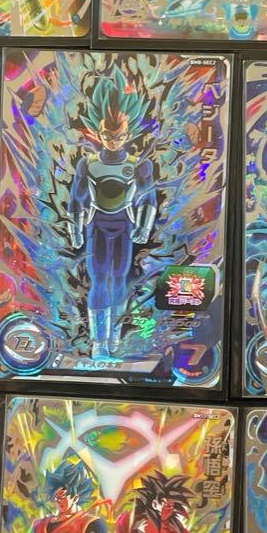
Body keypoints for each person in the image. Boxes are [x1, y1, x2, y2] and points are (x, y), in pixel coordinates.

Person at [67, 66, 157, 359]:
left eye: (119, 136)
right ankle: (99, 342)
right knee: (99, 280)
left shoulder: (138, 165)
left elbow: (148, 199)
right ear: (99, 133)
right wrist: (75, 230)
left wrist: (143, 227)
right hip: (97, 225)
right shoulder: (88, 164)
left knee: (119, 279)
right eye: (108, 134)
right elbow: (77, 199)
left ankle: (114, 336)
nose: (114, 140)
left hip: (124, 226)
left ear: (128, 134)